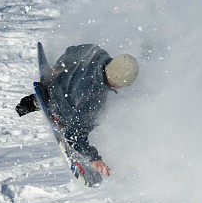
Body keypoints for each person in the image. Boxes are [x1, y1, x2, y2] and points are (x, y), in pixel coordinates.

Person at [15, 44, 139, 177]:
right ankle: (43, 106)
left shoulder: (96, 53)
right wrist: (93, 157)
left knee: (74, 101)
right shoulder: (94, 98)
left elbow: (71, 51)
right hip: (60, 109)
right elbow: (74, 134)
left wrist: (59, 66)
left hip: (54, 85)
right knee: (93, 120)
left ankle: (36, 101)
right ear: (116, 82)